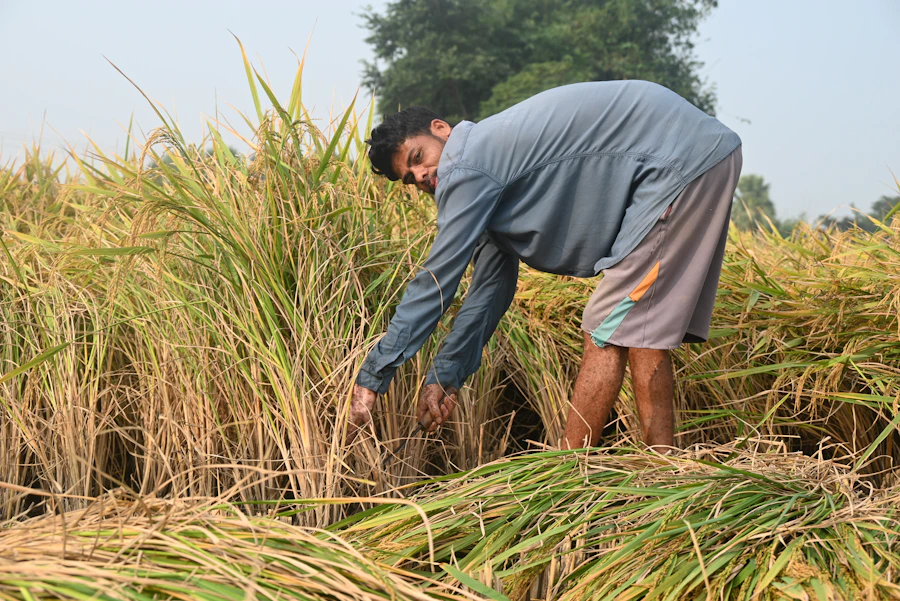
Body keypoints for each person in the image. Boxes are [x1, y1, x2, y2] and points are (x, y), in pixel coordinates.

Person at [347, 80, 742, 450]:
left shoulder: (468, 164)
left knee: (604, 326)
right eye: (411, 179)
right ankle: (666, 468)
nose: (422, 176)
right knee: (635, 327)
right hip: (687, 154)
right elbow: (489, 290)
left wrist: (373, 376)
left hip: (678, 160)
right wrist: (444, 378)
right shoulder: (484, 175)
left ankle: (568, 471)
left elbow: (436, 280)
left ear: (441, 129)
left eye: (418, 158)